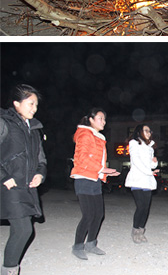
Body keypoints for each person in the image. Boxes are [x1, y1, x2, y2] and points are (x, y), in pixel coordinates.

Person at [1, 85, 47, 275]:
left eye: (36, 105)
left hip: (28, 187)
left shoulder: (34, 129)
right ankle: (9, 270)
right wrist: (4, 176)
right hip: (10, 186)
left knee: (19, 230)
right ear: (16, 104)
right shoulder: (4, 123)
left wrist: (40, 174)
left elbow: (41, 159)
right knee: (23, 230)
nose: (34, 108)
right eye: (30, 104)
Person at [70, 108, 120, 260]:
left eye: (104, 119)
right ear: (91, 119)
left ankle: (91, 244)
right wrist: (102, 169)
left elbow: (97, 160)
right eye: (100, 118)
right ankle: (77, 246)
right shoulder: (85, 134)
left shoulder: (98, 137)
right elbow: (83, 158)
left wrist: (105, 172)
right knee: (88, 215)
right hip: (83, 178)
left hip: (95, 178)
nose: (103, 122)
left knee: (98, 214)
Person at [124, 124, 157, 244]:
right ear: (139, 132)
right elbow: (136, 161)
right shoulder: (134, 143)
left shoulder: (150, 147)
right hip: (137, 179)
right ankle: (135, 231)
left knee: (146, 208)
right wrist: (149, 172)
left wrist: (154, 163)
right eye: (146, 130)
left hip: (147, 180)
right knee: (141, 206)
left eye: (150, 131)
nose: (149, 132)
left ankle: (141, 231)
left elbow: (151, 165)